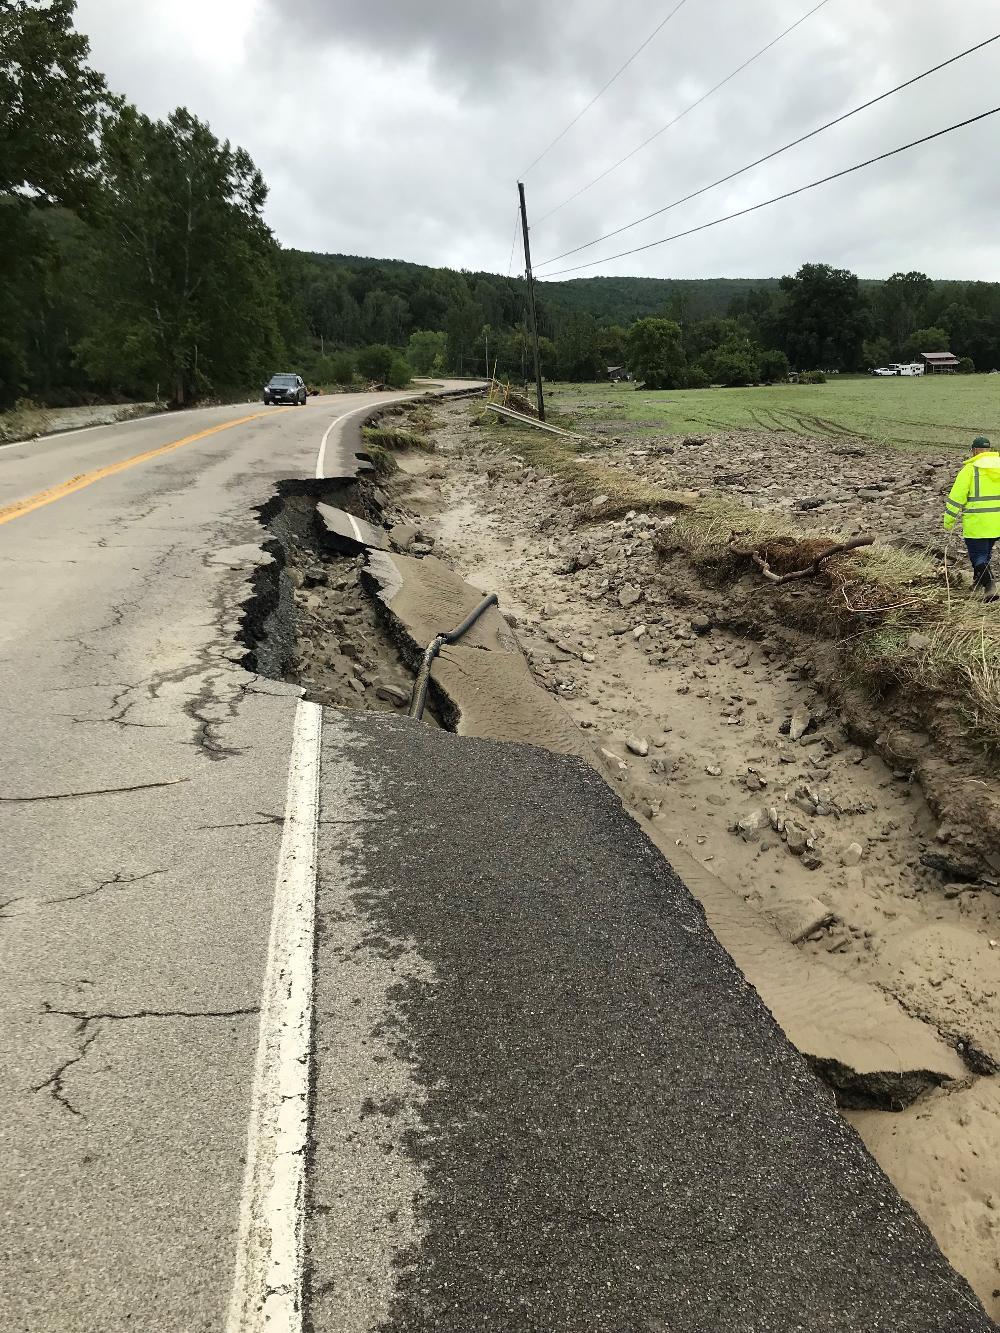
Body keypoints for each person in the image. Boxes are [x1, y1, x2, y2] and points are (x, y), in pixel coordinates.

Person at [943, 435, 1000, 601]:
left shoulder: (970, 470)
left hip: (977, 523)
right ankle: (977, 585)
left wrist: (949, 520)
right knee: (986, 554)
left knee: (978, 557)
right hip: (996, 523)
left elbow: (956, 498)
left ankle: (990, 587)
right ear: (989, 450)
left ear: (974, 450)